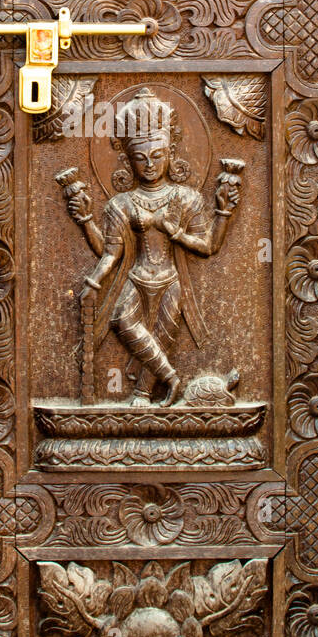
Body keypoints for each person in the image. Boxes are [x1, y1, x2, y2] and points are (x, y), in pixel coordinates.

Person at [74, 89, 241, 407]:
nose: (149, 164)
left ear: (171, 153)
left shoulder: (186, 198)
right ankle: (172, 379)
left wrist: (219, 214)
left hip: (170, 281)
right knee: (123, 321)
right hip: (137, 277)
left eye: (157, 155)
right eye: (140, 158)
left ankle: (143, 394)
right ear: (127, 159)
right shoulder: (120, 203)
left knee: (164, 336)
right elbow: (111, 252)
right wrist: (94, 272)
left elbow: (208, 247)